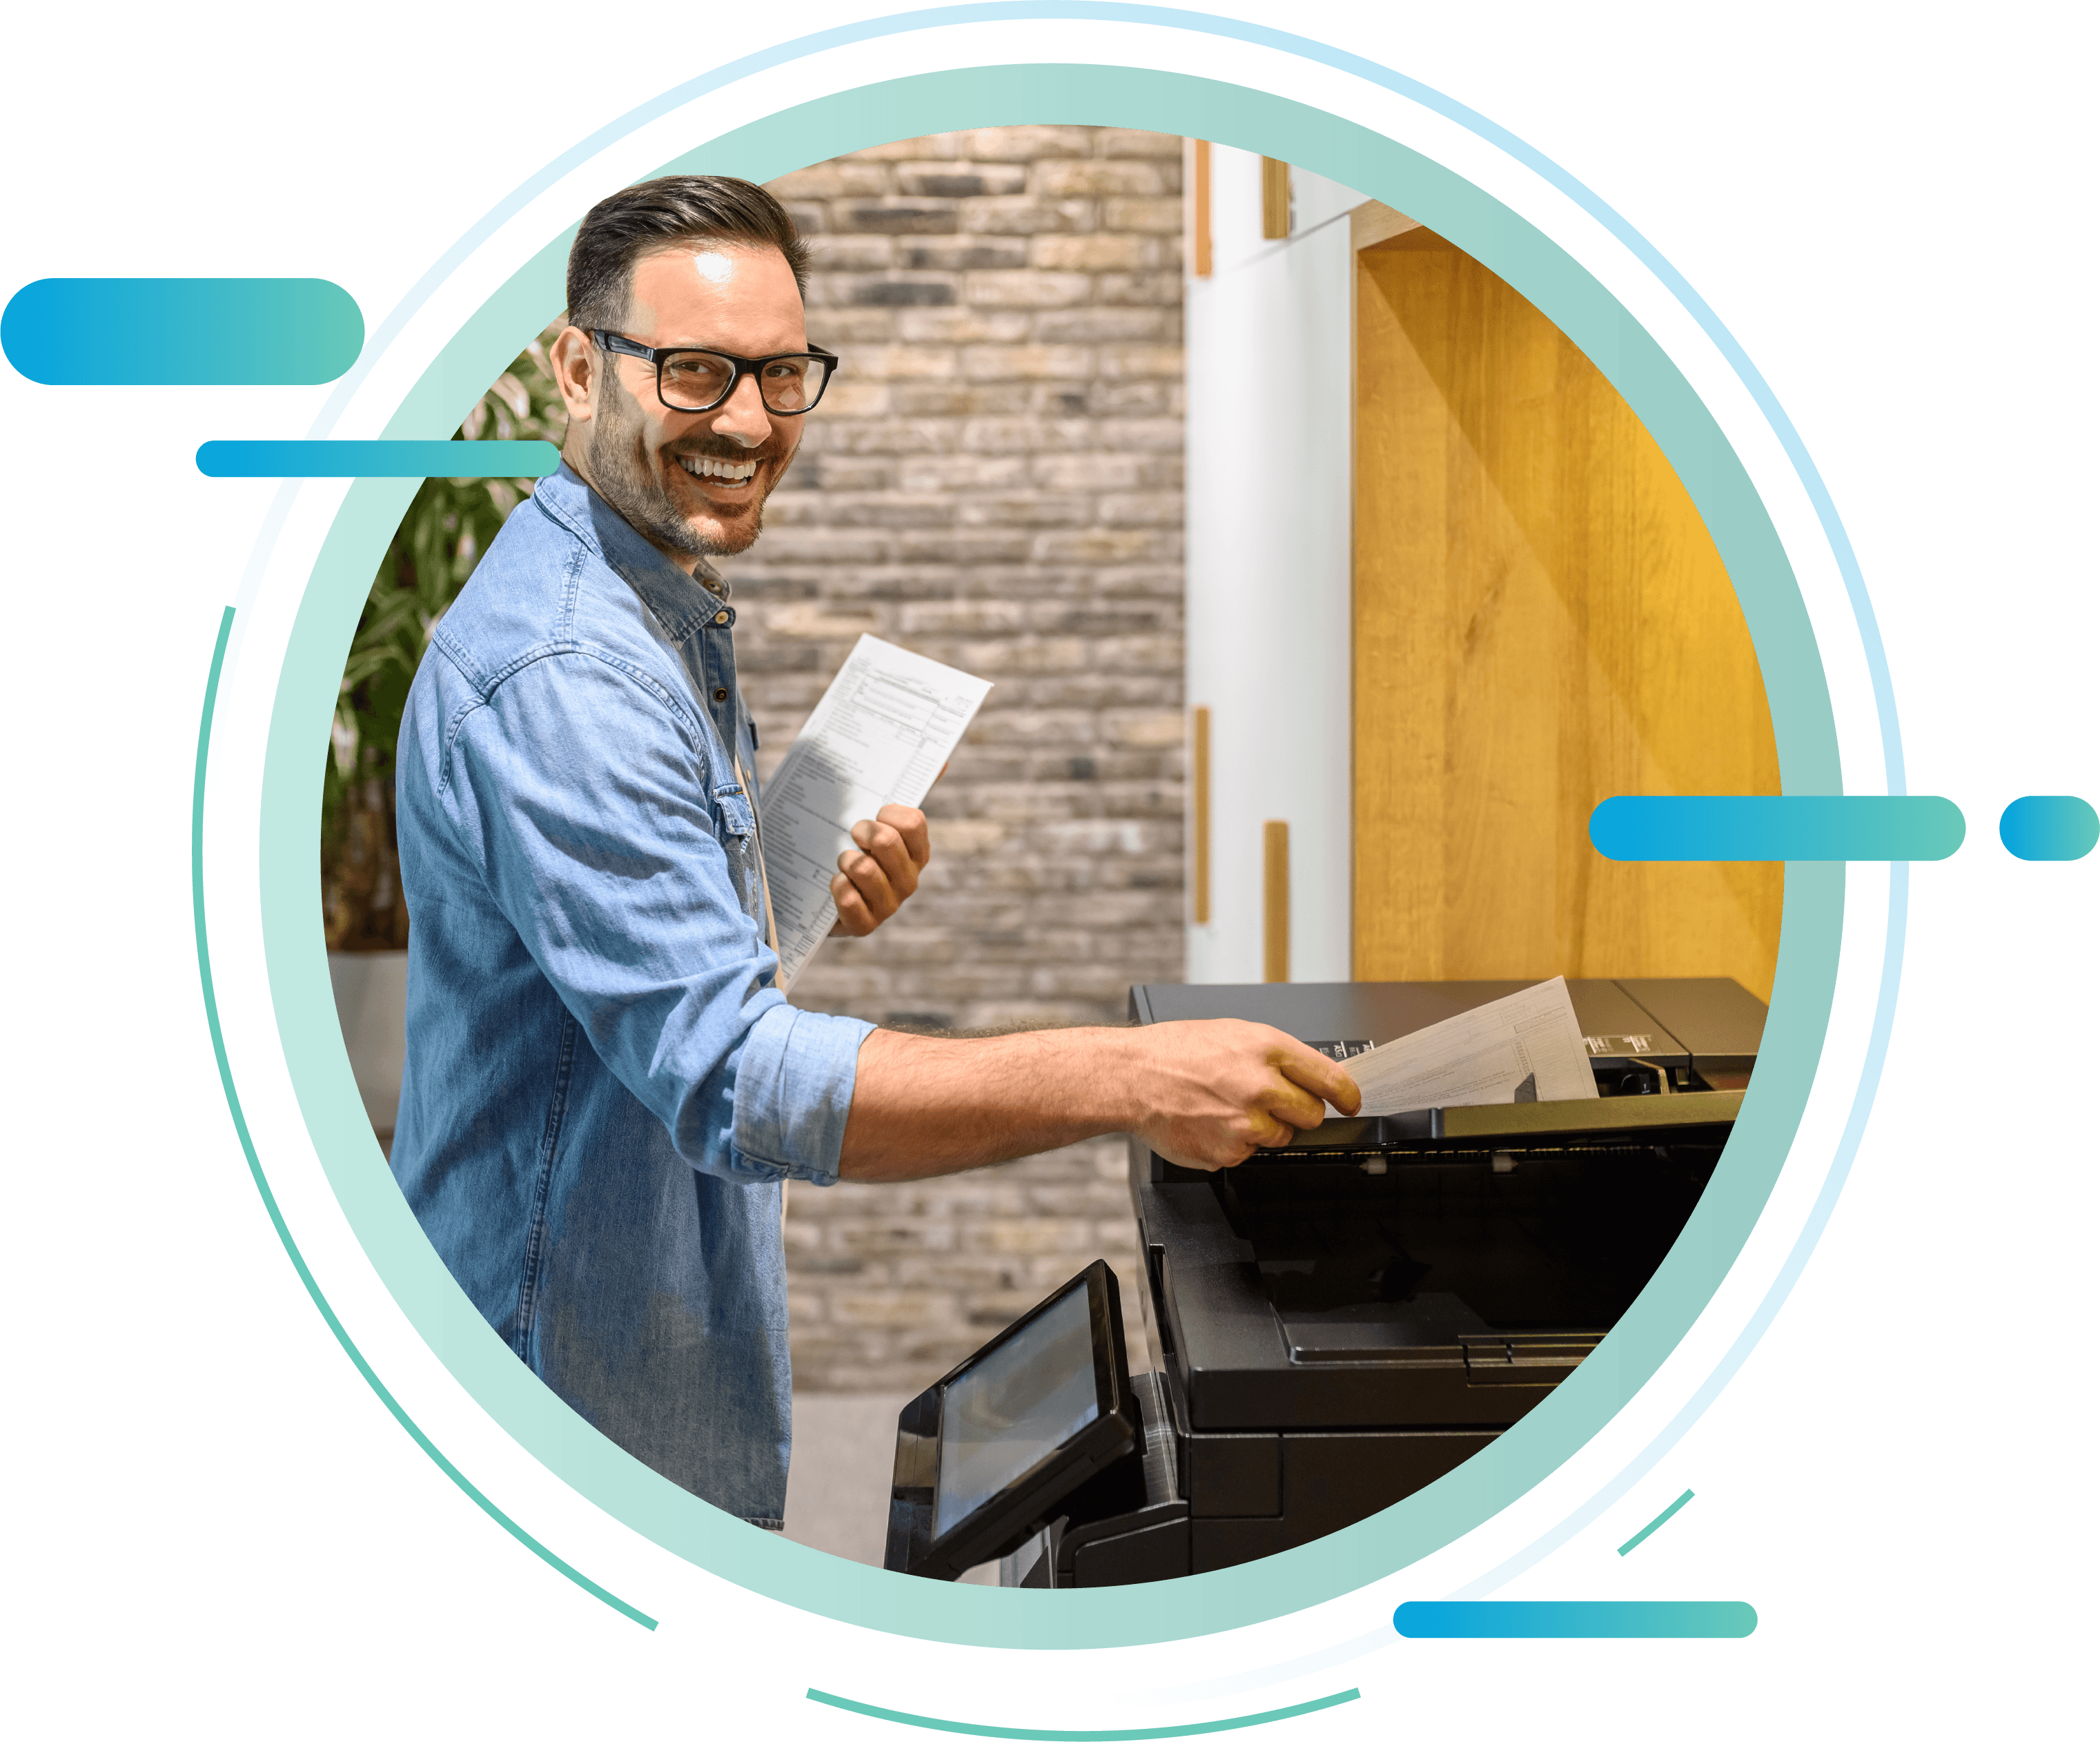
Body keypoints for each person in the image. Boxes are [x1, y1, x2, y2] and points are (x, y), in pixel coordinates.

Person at [389, 175, 1358, 1530]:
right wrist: (1130, 1074)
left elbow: (620, 973)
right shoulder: (570, 673)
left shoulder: (644, 599)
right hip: (556, 1405)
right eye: (695, 370)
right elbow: (732, 1077)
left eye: (782, 373)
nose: (748, 421)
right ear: (578, 367)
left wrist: (783, 887)